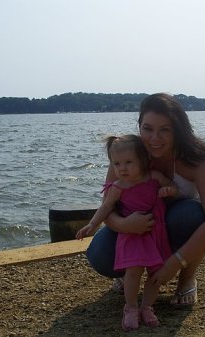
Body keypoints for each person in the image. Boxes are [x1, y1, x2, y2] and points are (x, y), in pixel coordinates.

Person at [86, 93, 205, 308]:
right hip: (135, 226)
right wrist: (126, 225)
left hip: (174, 223)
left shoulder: (198, 160)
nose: (155, 139)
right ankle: (129, 272)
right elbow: (109, 207)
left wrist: (174, 263)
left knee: (191, 215)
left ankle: (187, 278)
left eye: (165, 129)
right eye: (148, 129)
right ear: (139, 126)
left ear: (178, 129)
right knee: (100, 254)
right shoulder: (126, 154)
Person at [76, 134, 178, 331]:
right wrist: (92, 225)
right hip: (132, 235)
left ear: (143, 160)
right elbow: (105, 208)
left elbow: (172, 186)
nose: (122, 168)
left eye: (129, 162)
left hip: (155, 232)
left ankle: (147, 306)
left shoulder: (153, 177)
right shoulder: (117, 188)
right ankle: (130, 307)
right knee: (134, 271)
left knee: (156, 272)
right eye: (117, 163)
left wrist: (168, 191)